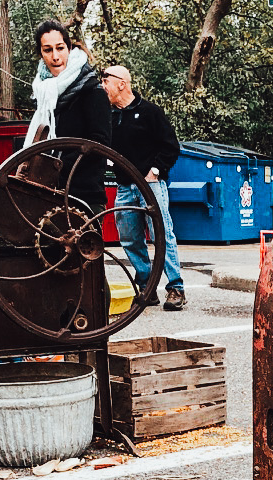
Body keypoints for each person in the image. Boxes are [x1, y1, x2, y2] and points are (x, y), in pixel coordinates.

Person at [102, 65, 186, 311]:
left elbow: (171, 146)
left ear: (122, 83)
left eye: (106, 80)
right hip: (125, 185)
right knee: (128, 236)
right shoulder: (109, 117)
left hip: (151, 185)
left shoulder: (150, 112)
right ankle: (147, 286)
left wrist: (155, 171)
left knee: (162, 234)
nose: (102, 85)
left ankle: (176, 288)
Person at [27, 20, 111, 216]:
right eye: (48, 50)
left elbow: (100, 143)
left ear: (69, 48)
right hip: (47, 192)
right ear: (40, 53)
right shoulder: (43, 92)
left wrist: (57, 166)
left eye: (60, 48)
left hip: (83, 193)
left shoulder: (92, 92)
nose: (55, 57)